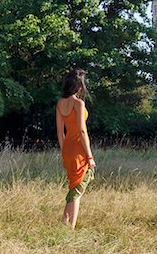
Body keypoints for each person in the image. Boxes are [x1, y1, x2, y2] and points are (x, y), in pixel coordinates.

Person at [56, 68, 95, 229]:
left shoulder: (60, 103)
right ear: (79, 85)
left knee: (74, 187)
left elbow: (60, 133)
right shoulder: (79, 103)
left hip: (67, 148)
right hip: (78, 149)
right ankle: (69, 227)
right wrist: (90, 156)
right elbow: (82, 131)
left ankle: (65, 223)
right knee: (77, 190)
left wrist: (64, 153)